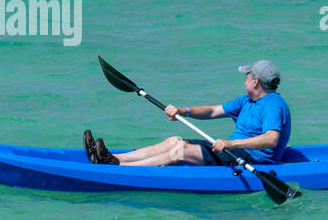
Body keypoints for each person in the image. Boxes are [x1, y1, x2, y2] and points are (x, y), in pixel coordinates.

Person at [85, 60, 291, 166]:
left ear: (255, 81)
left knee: (180, 151)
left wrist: (231, 143)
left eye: (247, 76)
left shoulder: (274, 105)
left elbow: (271, 139)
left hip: (252, 161)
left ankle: (119, 170)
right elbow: (213, 111)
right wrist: (184, 111)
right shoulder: (247, 100)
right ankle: (114, 158)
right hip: (232, 152)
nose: (244, 79)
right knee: (174, 141)